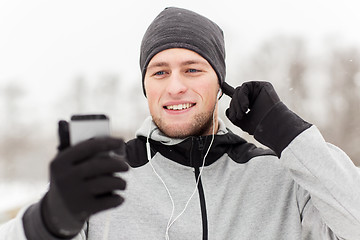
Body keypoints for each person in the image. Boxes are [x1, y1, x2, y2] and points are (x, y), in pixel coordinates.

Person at [1, 7, 360, 240]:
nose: (175, 86)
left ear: (219, 84)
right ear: (146, 87)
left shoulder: (283, 176)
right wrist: (49, 221)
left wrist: (292, 136)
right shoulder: (107, 178)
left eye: (192, 69)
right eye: (159, 72)